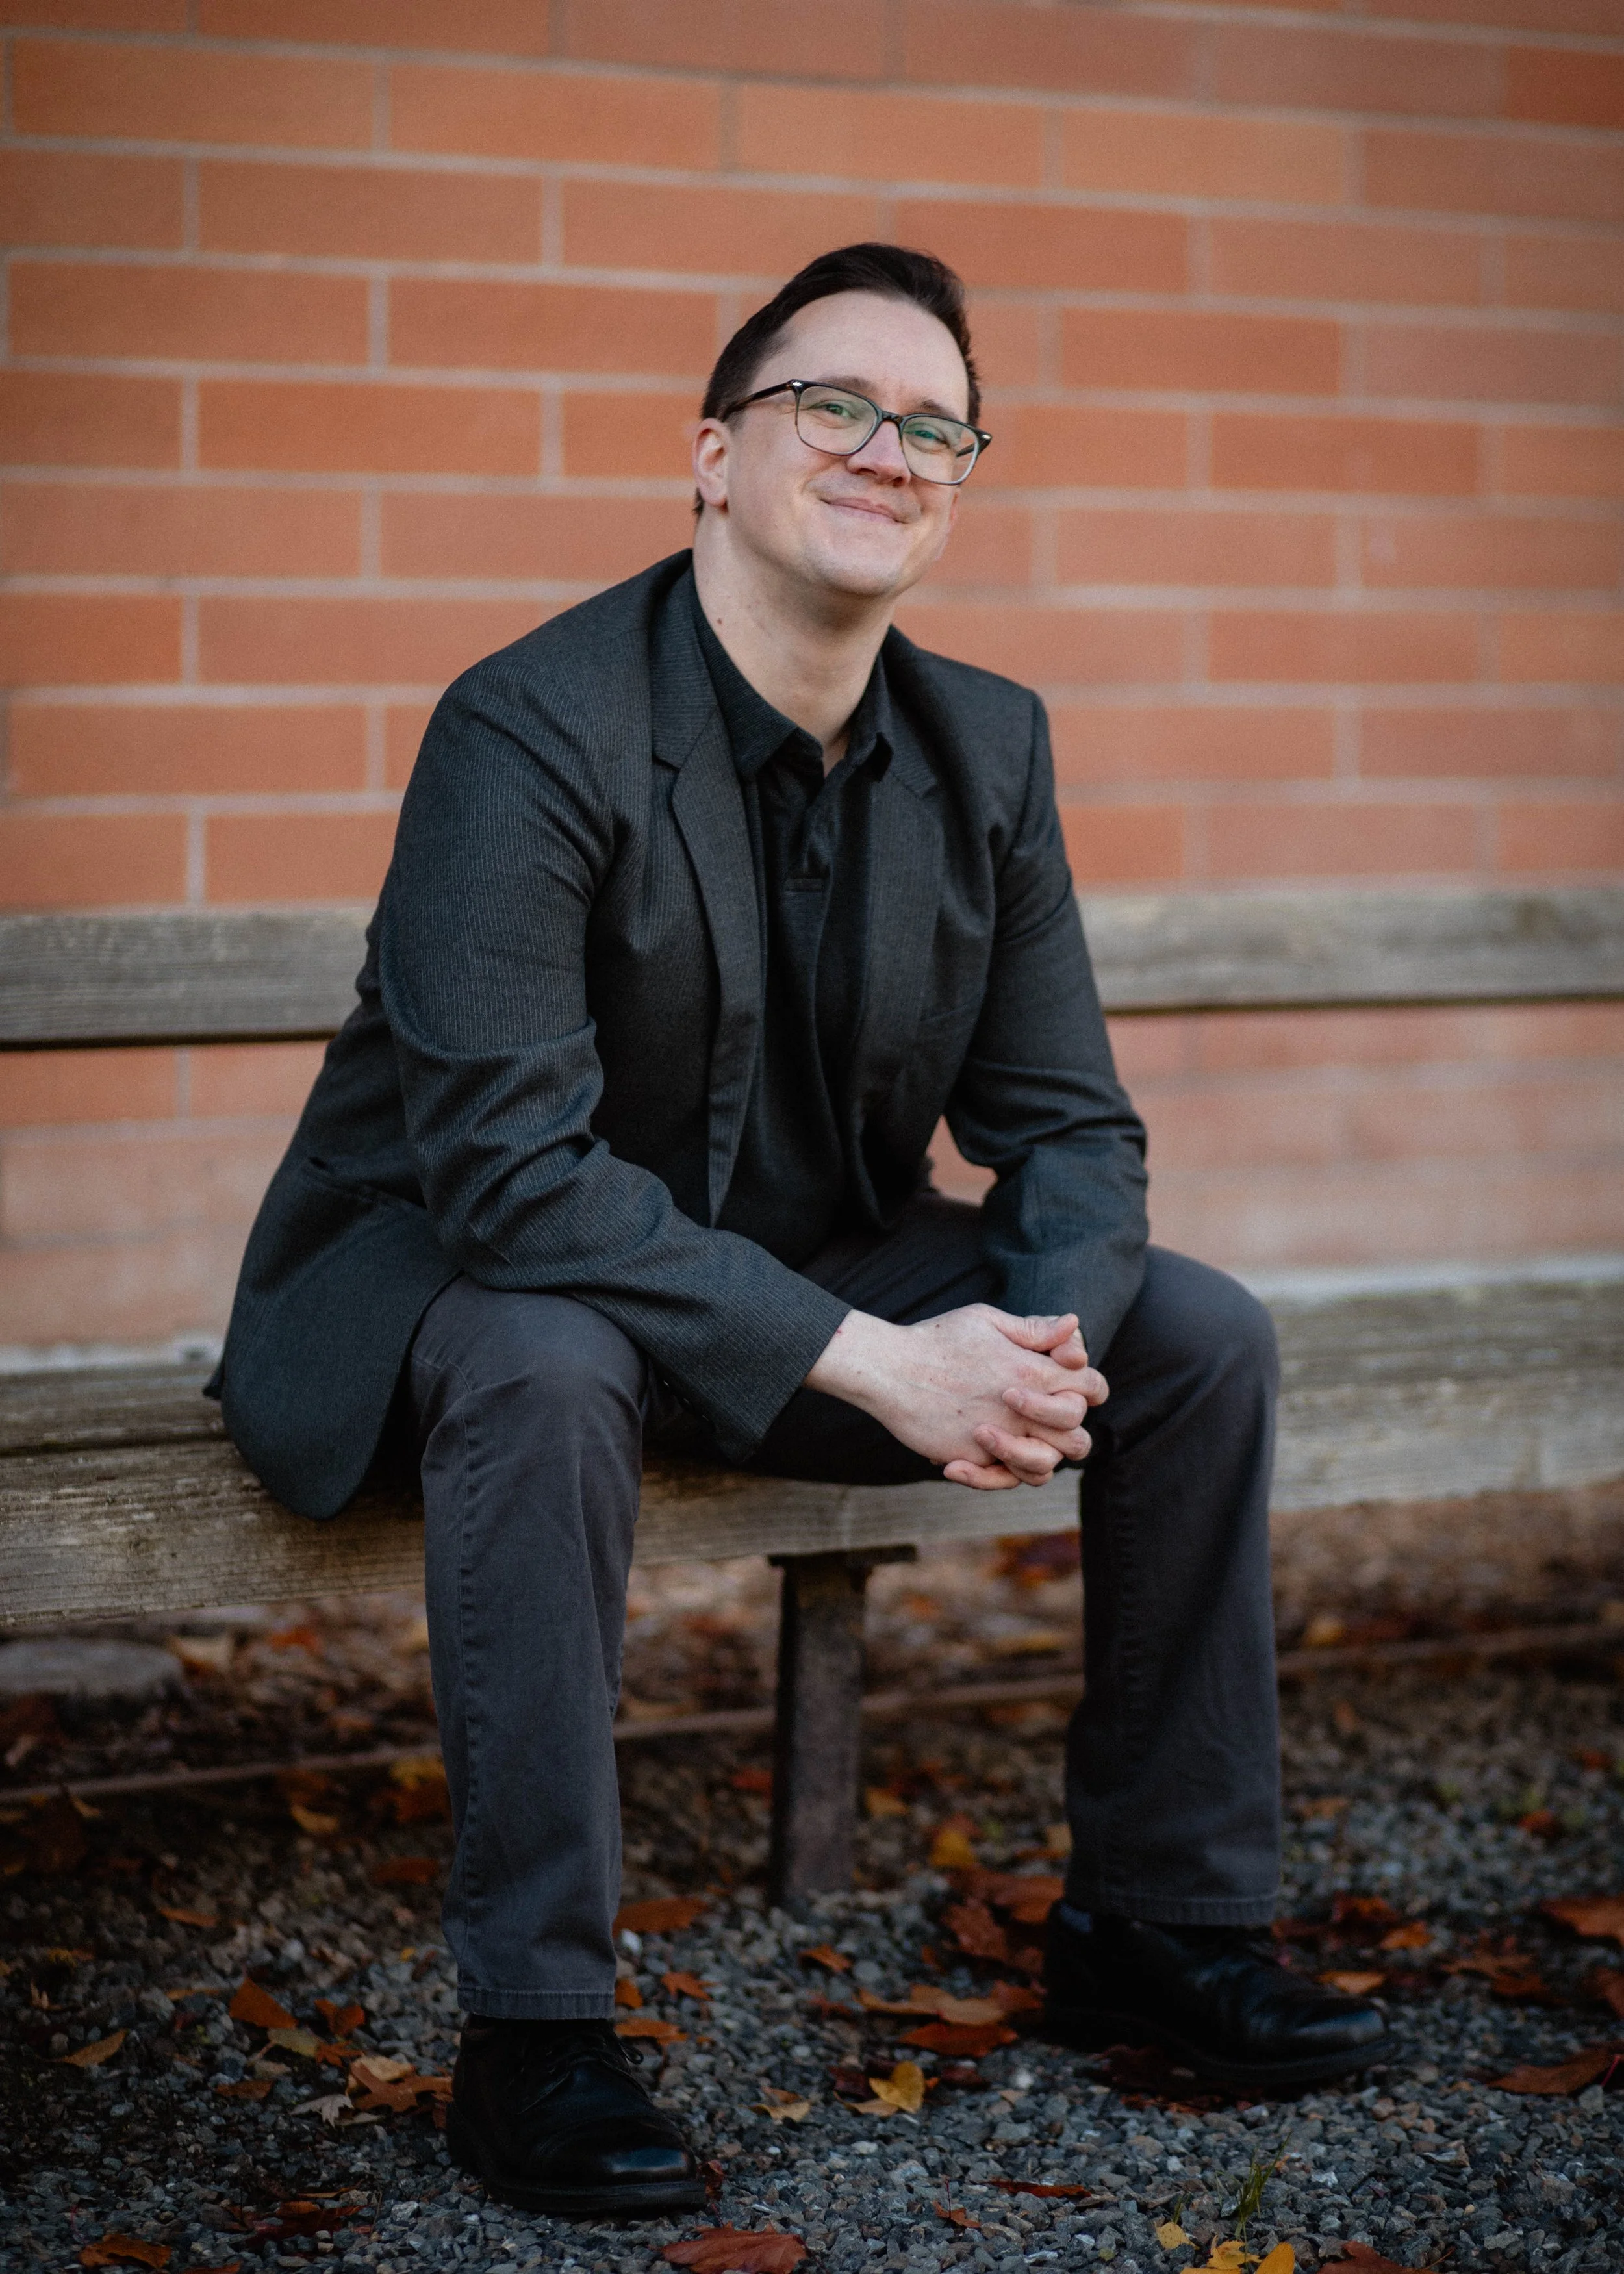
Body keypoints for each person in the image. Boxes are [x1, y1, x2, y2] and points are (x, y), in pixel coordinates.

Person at [214, 242, 1387, 2221]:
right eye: (831, 404)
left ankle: (1160, 1922)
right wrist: (882, 1363)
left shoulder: (987, 746)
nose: (885, 449)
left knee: (1196, 1337)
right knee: (546, 1347)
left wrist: (1033, 1348)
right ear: (711, 454)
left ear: (960, 485)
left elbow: (1067, 1127)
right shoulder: (528, 727)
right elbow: (507, 1177)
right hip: (461, 1285)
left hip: (811, 1276)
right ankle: (535, 2031)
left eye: (934, 426)